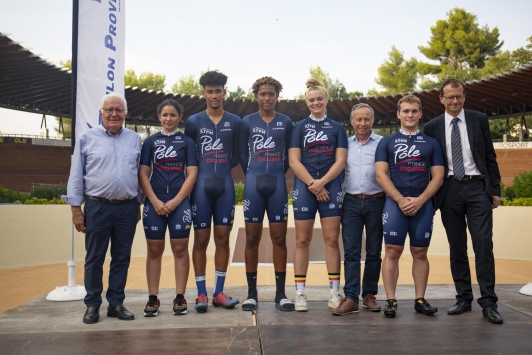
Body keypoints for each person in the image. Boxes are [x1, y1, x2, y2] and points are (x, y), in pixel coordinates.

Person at [423, 79, 503, 324]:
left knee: (482, 244)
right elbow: (428, 164)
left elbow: (490, 156)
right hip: (449, 190)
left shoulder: (479, 119)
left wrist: (496, 190)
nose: (454, 101)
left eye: (458, 96)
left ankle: (489, 302)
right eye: (450, 97)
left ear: (465, 97)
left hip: (478, 187)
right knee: (457, 247)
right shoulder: (432, 127)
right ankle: (464, 298)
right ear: (441, 99)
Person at [64, 93, 142, 324]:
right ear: (101, 113)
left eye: (119, 110)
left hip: (127, 208)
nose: (114, 114)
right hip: (98, 207)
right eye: (109, 110)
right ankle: (92, 305)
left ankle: (116, 303)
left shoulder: (135, 139)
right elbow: (76, 174)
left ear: (126, 114)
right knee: (94, 258)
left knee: (121, 258)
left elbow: (139, 173)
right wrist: (76, 209)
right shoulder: (87, 138)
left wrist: (138, 202)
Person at [375, 94, 444, 318]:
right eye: (406, 111)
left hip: (422, 204)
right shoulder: (387, 142)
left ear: (420, 113)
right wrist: (400, 200)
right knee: (392, 251)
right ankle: (391, 300)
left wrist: (421, 200)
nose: (410, 115)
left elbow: (438, 177)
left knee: (420, 252)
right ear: (398, 114)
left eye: (414, 111)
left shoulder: (431, 143)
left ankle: (420, 299)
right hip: (395, 204)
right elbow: (381, 175)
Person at [288, 79, 348, 312]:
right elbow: (294, 161)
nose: (316, 102)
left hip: (330, 186)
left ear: (326, 100)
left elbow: (341, 160)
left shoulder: (337, 128)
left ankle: (334, 292)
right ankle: (300, 293)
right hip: (305, 187)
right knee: (302, 240)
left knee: (332, 240)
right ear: (307, 102)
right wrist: (314, 184)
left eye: (319, 99)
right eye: (311, 100)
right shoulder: (299, 127)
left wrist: (323, 183)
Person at [184, 70, 241, 313]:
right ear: (203, 93)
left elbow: (238, 155)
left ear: (224, 92)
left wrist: (221, 165)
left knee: (223, 240)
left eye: (218, 91)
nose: (214, 95)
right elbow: (187, 155)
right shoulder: (193, 122)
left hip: (225, 186)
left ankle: (218, 292)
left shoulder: (235, 122)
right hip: (200, 188)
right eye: (210, 91)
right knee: (201, 240)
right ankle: (201, 294)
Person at [239, 77, 294, 312]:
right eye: (262, 94)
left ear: (277, 96)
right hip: (254, 182)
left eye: (271, 94)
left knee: (279, 239)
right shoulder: (247, 121)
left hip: (278, 185)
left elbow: (289, 156)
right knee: (251, 239)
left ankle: (280, 294)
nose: (267, 98)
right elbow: (242, 155)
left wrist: (276, 174)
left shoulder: (286, 122)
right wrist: (253, 174)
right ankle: (252, 294)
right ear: (256, 96)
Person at [139, 99, 198, 317]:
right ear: (159, 117)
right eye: (164, 115)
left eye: (173, 115)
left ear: (179, 117)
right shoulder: (150, 142)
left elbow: (192, 173)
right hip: (155, 202)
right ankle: (153, 298)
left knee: (180, 250)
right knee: (154, 251)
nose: (168, 119)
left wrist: (176, 201)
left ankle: (180, 296)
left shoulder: (187, 142)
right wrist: (153, 200)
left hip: (179, 202)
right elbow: (143, 173)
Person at [332, 103, 385, 316]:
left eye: (367, 119)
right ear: (352, 121)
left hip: (378, 201)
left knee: (374, 252)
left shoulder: (383, 143)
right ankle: (351, 298)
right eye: (358, 119)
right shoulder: (344, 144)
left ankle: (369, 295)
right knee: (352, 252)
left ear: (373, 121)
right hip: (351, 202)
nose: (362, 123)